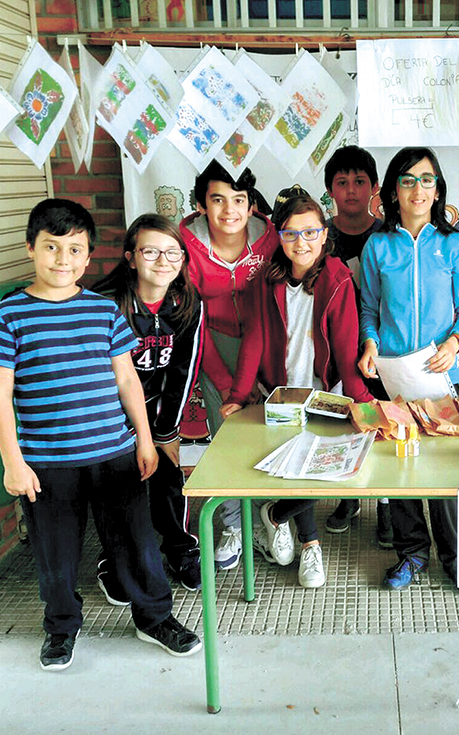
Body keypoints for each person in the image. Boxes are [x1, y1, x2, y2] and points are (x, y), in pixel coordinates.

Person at [0, 199, 201, 671]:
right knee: (55, 554)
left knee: (137, 543)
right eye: (51, 247)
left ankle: (155, 618)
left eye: (74, 249)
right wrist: (13, 462)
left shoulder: (103, 310)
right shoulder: (8, 316)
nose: (63, 259)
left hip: (115, 453)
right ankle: (61, 627)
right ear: (30, 248)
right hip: (47, 462)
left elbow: (127, 381)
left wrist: (145, 440)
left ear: (88, 255)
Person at [220, 188, 373, 588]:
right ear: (279, 236)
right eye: (290, 233)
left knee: (324, 469)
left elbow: (346, 349)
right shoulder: (265, 280)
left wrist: (363, 402)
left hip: (324, 392)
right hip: (281, 391)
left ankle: (275, 515)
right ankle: (310, 544)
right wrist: (237, 395)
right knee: (291, 469)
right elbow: (254, 338)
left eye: (309, 232)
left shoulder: (338, 279)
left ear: (324, 235)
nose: (300, 242)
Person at [358, 146, 459, 591]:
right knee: (402, 463)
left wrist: (454, 343)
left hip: (438, 372)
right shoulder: (378, 245)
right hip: (393, 373)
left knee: (444, 467)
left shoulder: (454, 245)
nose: (418, 189)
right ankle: (411, 552)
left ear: (438, 189)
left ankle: (455, 557)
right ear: (394, 191)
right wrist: (370, 344)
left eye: (427, 180)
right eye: (407, 180)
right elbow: (369, 307)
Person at [90, 214, 205, 600]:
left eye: (172, 252)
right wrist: (129, 432)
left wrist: (166, 431)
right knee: (120, 487)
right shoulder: (107, 303)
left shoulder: (187, 302)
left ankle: (180, 547)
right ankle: (114, 560)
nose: (163, 261)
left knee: (169, 478)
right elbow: (99, 378)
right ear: (131, 257)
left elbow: (183, 372)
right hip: (112, 415)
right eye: (150, 251)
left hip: (159, 411)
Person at [179, 161, 280, 571]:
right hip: (212, 343)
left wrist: (258, 370)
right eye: (218, 200)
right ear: (202, 204)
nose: (229, 211)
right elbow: (192, 320)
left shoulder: (270, 238)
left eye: (238, 200)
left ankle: (272, 519)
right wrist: (224, 382)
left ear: (251, 204)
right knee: (227, 437)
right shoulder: (186, 246)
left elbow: (278, 301)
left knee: (273, 435)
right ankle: (234, 524)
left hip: (266, 340)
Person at [319, 145, 393, 544]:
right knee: (345, 422)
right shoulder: (319, 236)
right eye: (342, 182)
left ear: (374, 187)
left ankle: (386, 503)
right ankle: (349, 497)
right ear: (329, 189)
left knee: (381, 420)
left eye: (360, 181)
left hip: (380, 347)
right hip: (333, 348)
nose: (351, 190)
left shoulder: (387, 235)